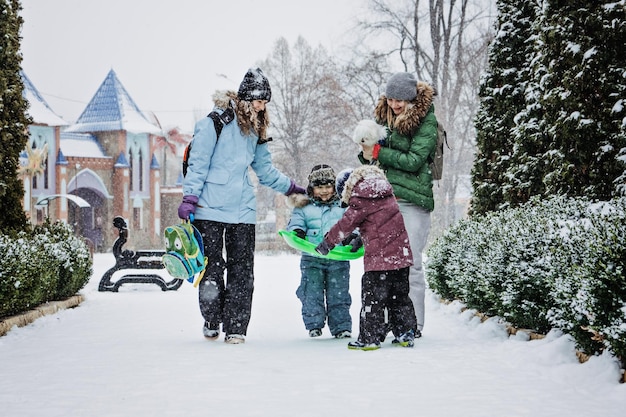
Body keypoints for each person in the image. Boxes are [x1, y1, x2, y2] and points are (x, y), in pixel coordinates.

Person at [177, 67, 306, 344]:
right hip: (208, 209)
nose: (262, 107)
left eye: (265, 103)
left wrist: (291, 188)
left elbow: (265, 169)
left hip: (243, 211)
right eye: (259, 101)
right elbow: (198, 164)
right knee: (210, 268)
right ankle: (212, 317)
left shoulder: (256, 128)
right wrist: (189, 198)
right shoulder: (214, 122)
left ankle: (236, 326)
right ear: (246, 98)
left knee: (242, 270)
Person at [356, 72, 438, 339]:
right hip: (386, 202)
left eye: (400, 100)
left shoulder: (426, 119)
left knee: (411, 264)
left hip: (413, 202)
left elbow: (415, 160)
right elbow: (372, 157)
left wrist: (380, 153)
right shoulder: (382, 116)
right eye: (391, 99)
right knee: (386, 265)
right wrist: (366, 150)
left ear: (412, 97)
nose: (395, 104)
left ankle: (415, 325)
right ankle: (394, 321)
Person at [315, 165, 417, 351]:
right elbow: (380, 223)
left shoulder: (360, 197)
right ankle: (405, 333)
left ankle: (370, 338)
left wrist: (327, 244)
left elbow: (345, 225)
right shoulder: (384, 191)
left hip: (379, 261)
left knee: (373, 300)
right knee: (400, 297)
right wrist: (361, 238)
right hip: (401, 256)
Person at [286, 164, 359, 339]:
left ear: (334, 186)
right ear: (312, 187)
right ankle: (314, 324)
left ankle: (341, 326)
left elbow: (352, 223)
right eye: (319, 187)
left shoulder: (343, 205)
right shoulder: (303, 206)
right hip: (312, 258)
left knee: (339, 294)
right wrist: (297, 232)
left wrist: (352, 237)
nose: (324, 191)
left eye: (328, 186)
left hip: (338, 258)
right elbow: (295, 222)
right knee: (311, 292)